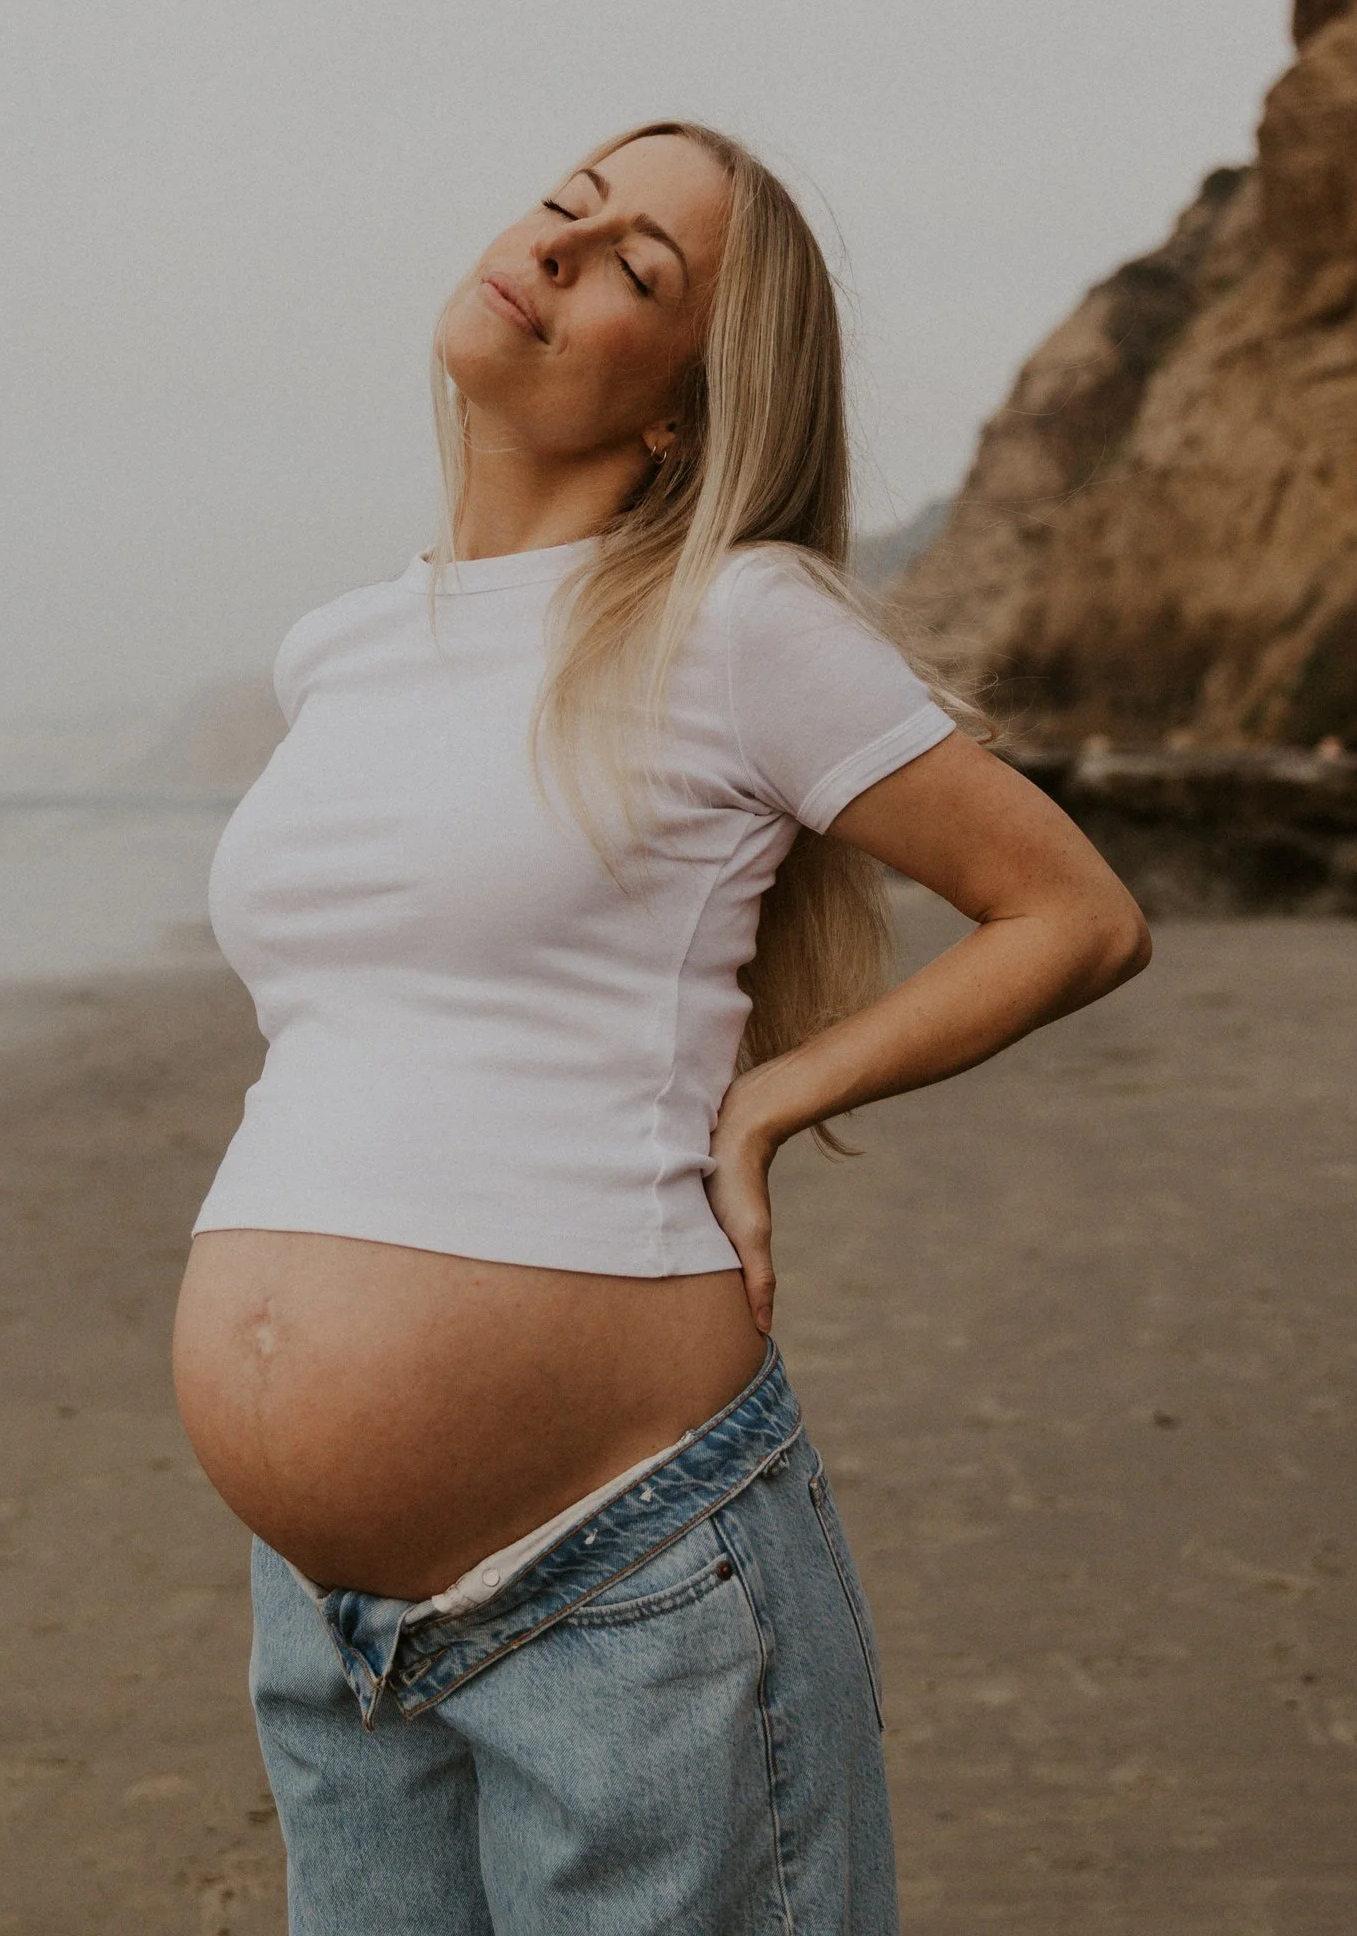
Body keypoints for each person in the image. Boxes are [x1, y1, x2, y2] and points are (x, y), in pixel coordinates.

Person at [171, 120, 1149, 1934]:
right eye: (565, 205)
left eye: (636, 266)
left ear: (689, 405)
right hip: (325, 1618)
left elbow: (1073, 914)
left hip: (620, 1585)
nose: (558, 249)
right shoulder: (342, 650)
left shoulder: (738, 621)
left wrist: (775, 1100)